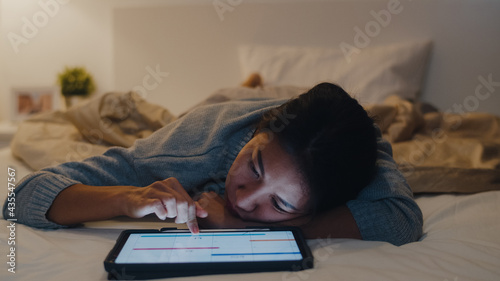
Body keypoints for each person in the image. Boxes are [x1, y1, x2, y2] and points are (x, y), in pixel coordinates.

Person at [3, 83, 423, 246]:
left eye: (279, 204)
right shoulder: (193, 146)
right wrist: (129, 197)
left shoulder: (362, 155)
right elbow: (18, 196)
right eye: (254, 167)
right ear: (258, 131)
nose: (244, 197)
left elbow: (401, 218)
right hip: (225, 103)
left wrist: (246, 229)